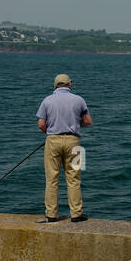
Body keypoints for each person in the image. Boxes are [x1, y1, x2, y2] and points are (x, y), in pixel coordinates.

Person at [36, 74, 93, 222]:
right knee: (74, 178)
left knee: (52, 179)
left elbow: (41, 124)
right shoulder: (79, 99)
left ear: (55, 85)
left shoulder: (47, 100)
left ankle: (51, 215)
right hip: (73, 141)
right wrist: (74, 123)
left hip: (53, 141)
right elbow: (88, 121)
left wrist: (51, 132)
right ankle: (76, 214)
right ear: (69, 85)